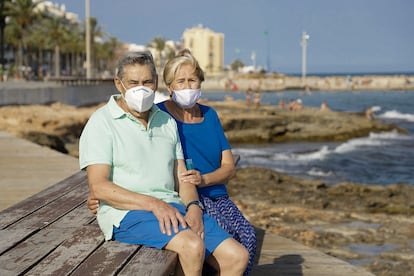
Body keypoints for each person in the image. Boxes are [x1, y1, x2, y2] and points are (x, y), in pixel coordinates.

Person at [80, 51, 248, 276]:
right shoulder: (101, 122)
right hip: (128, 213)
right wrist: (153, 204)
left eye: (147, 82)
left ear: (156, 82)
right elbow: (98, 187)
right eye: (133, 83)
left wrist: (193, 207)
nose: (141, 88)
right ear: (118, 84)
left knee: (237, 257)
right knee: (192, 246)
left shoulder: (166, 121)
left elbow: (182, 176)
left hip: (173, 206)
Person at [158, 49, 257, 275]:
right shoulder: (160, 115)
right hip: (186, 197)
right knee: (227, 240)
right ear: (169, 87)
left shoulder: (210, 115)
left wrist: (204, 179)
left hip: (217, 195)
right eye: (180, 81)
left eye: (192, 80)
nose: (187, 87)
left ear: (200, 82)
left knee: (248, 236)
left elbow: (229, 167)